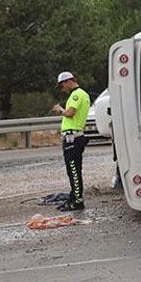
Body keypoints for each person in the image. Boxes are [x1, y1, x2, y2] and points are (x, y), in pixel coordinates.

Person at [52, 72, 91, 211]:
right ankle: (75, 197)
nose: (63, 89)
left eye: (63, 85)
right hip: (76, 137)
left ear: (69, 82)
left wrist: (60, 110)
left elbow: (70, 113)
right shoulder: (83, 94)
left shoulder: (76, 95)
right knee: (75, 169)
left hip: (72, 138)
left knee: (73, 170)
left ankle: (78, 201)